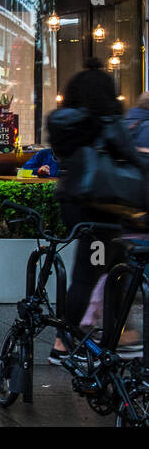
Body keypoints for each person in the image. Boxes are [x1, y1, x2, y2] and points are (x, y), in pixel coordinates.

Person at [46, 58, 142, 363]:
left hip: (75, 205)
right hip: (103, 208)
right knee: (94, 275)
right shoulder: (107, 122)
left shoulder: (63, 123)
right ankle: (65, 343)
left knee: (102, 271)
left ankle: (113, 336)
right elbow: (129, 155)